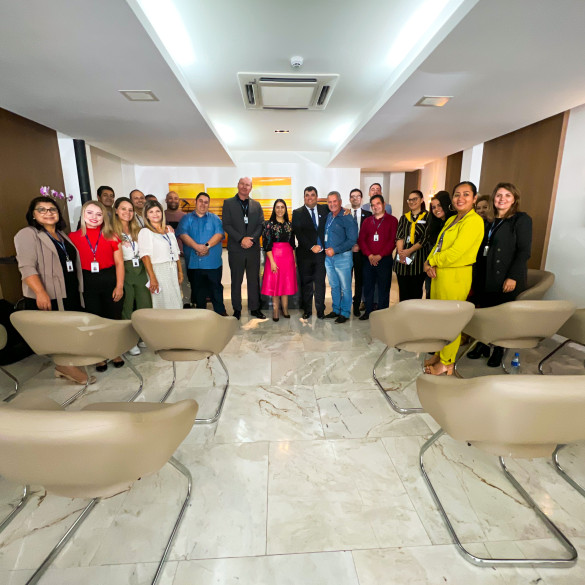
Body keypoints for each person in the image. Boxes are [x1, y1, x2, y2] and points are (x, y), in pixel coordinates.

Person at [14, 196, 94, 385]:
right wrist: (40, 292)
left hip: (68, 291)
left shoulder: (61, 235)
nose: (48, 213)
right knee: (56, 332)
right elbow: (26, 267)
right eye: (41, 209)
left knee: (67, 330)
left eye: (52, 209)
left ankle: (67, 364)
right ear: (33, 215)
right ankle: (64, 366)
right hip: (49, 294)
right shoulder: (28, 234)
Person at [468, 182, 533, 366]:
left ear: (514, 199)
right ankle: (483, 344)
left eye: (507, 195)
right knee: (485, 313)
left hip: (505, 276)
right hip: (485, 274)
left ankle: (498, 349)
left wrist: (513, 276)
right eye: (498, 195)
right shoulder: (488, 221)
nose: (502, 199)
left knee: (500, 316)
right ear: (493, 198)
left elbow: (524, 251)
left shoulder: (521, 219)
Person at [423, 181, 484, 375]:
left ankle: (447, 361)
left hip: (456, 275)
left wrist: (433, 261)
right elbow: (439, 245)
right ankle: (440, 354)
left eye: (466, 194)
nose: (460, 198)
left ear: (474, 198)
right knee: (439, 319)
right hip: (439, 274)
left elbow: (457, 252)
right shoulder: (452, 219)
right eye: (457, 194)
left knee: (451, 321)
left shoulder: (474, 221)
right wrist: (428, 262)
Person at [69, 200, 125, 371]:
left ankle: (114, 352)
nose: (94, 217)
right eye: (90, 213)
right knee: (94, 319)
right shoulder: (73, 237)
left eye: (99, 214)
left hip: (109, 279)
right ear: (83, 215)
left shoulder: (112, 236)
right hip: (87, 282)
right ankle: (99, 355)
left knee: (112, 318)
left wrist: (119, 286)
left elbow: (119, 263)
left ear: (104, 217)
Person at [221, 177, 266, 320]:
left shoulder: (256, 205)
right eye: (242, 184)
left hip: (253, 249)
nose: (244, 187)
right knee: (236, 281)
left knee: (253, 280)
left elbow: (261, 225)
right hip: (236, 248)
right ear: (238, 185)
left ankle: (255, 308)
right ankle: (237, 309)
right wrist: (241, 239)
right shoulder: (228, 203)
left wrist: (251, 240)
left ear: (251, 188)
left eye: (247, 185)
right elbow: (226, 225)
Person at [112, 197, 152, 355]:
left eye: (130, 210)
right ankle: (129, 341)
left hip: (140, 269)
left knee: (144, 304)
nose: (127, 212)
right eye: (123, 209)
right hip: (125, 270)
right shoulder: (111, 231)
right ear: (116, 210)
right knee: (127, 307)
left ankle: (142, 336)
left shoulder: (138, 230)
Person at [176, 192, 227, 315]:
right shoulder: (186, 219)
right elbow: (183, 234)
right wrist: (197, 247)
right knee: (198, 292)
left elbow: (219, 234)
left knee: (216, 290)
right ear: (195, 202)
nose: (203, 204)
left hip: (213, 264)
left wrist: (206, 246)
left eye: (206, 202)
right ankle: (201, 316)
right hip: (194, 263)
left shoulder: (215, 219)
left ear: (208, 204)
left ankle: (221, 314)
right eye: (200, 201)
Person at [358, 194, 398, 320]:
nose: (375, 207)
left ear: (383, 204)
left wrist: (380, 255)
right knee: (368, 287)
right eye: (373, 205)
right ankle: (368, 311)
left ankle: (382, 314)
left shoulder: (392, 220)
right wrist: (370, 255)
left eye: (378, 204)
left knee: (384, 288)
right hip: (368, 260)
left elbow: (392, 241)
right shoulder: (367, 221)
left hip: (384, 260)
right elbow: (362, 240)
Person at [138, 200, 183, 309]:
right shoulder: (145, 232)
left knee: (176, 300)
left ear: (162, 213)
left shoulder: (168, 231)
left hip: (172, 269)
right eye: (151, 212)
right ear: (146, 215)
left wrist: (180, 272)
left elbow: (176, 253)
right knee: (163, 302)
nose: (155, 214)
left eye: (158, 211)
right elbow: (145, 257)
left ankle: (176, 319)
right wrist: (152, 277)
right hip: (158, 270)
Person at [292, 186, 328, 320]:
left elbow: (336, 211)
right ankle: (307, 310)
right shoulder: (297, 212)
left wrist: (346, 210)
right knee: (306, 284)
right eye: (307, 195)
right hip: (305, 255)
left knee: (320, 283)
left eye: (312, 195)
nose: (310, 197)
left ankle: (320, 310)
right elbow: (298, 233)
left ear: (316, 197)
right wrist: (311, 246)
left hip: (321, 254)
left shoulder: (325, 209)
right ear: (304, 197)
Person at [323, 191, 358, 323]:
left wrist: (335, 250)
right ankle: (336, 309)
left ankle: (345, 312)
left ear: (340, 202)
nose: (332, 204)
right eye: (330, 202)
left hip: (342, 257)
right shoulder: (329, 216)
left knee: (345, 287)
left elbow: (352, 240)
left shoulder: (347, 217)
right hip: (329, 258)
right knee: (334, 285)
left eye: (335, 201)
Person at [261, 199, 297, 321]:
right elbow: (266, 245)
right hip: (274, 257)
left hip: (288, 257)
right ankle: (276, 310)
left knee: (285, 284)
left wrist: (294, 260)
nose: (280, 209)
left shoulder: (290, 225)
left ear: (285, 209)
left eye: (282, 207)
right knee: (275, 284)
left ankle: (285, 309)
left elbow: (292, 244)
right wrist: (272, 262)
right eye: (277, 207)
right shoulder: (268, 224)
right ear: (274, 209)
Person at [394, 190, 430, 301]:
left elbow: (425, 238)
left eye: (415, 199)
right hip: (402, 261)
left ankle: (414, 311)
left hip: (418, 260)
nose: (412, 202)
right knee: (403, 292)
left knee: (415, 292)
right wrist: (401, 252)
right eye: (409, 200)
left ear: (421, 200)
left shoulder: (428, 217)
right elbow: (399, 236)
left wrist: (409, 251)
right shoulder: (404, 218)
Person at [424, 190, 456, 298]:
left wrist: (432, 263)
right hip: (431, 267)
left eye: (439, 205)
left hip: (445, 268)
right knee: (430, 295)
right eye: (433, 207)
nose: (436, 209)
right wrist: (429, 264)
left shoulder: (454, 222)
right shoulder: (434, 223)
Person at [164, 190, 191, 307]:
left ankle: (186, 302)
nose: (173, 200)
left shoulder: (185, 217)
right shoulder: (161, 215)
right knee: (168, 281)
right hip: (165, 256)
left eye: (176, 198)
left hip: (182, 255)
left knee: (184, 280)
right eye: (170, 198)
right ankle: (172, 303)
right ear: (166, 200)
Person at [348, 188, 372, 316]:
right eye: (352, 196)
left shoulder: (368, 215)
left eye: (358, 196)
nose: (355, 198)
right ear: (349, 199)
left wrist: (360, 246)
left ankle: (356, 306)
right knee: (346, 281)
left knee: (359, 281)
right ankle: (345, 306)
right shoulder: (345, 214)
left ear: (361, 199)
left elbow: (369, 235)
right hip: (347, 252)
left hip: (361, 254)